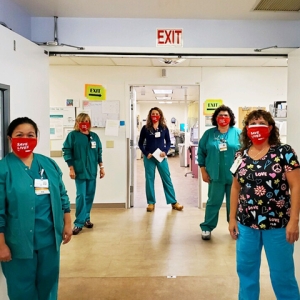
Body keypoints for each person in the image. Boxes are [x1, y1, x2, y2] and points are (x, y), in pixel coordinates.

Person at [229, 109, 300, 299]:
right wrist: (231, 219)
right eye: (252, 124)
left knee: (282, 275)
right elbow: (236, 188)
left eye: (260, 123)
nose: (256, 128)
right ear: (246, 129)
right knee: (246, 274)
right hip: (246, 225)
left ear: (269, 127)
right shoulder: (241, 155)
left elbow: (296, 186)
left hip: (278, 226)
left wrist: (294, 221)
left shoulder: (284, 152)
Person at [0, 117, 72, 300]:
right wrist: (1, 245)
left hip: (49, 240)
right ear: (10, 138)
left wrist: (67, 223)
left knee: (48, 285)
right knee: (22, 290)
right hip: (18, 244)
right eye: (19, 135)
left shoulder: (48, 164)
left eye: (30, 135)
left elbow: (62, 195)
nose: (25, 138)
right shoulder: (3, 169)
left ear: (36, 138)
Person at [198, 105, 241, 240]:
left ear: (231, 118)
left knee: (234, 203)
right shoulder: (209, 134)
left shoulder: (238, 133)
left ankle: (235, 226)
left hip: (235, 176)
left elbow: (246, 152)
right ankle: (207, 227)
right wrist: (203, 171)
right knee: (213, 202)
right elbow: (201, 153)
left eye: (226, 115)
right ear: (215, 118)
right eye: (220, 115)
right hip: (215, 175)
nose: (223, 118)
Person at [62, 113, 105, 235]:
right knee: (81, 195)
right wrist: (71, 168)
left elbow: (99, 152)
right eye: (82, 121)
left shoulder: (94, 136)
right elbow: (66, 151)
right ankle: (78, 223)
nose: (84, 123)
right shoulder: (73, 136)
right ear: (77, 123)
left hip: (92, 171)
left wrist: (101, 167)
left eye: (86, 121)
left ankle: (86, 218)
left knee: (89, 195)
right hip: (79, 171)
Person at [138, 107, 183, 212]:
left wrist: (165, 151)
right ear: (150, 115)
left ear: (160, 115)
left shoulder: (164, 128)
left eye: (156, 114)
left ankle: (173, 202)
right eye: (152, 114)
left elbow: (168, 142)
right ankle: (151, 203)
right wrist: (146, 153)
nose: (154, 116)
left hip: (161, 157)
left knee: (167, 179)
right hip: (149, 158)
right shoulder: (145, 128)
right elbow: (140, 143)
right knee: (149, 180)